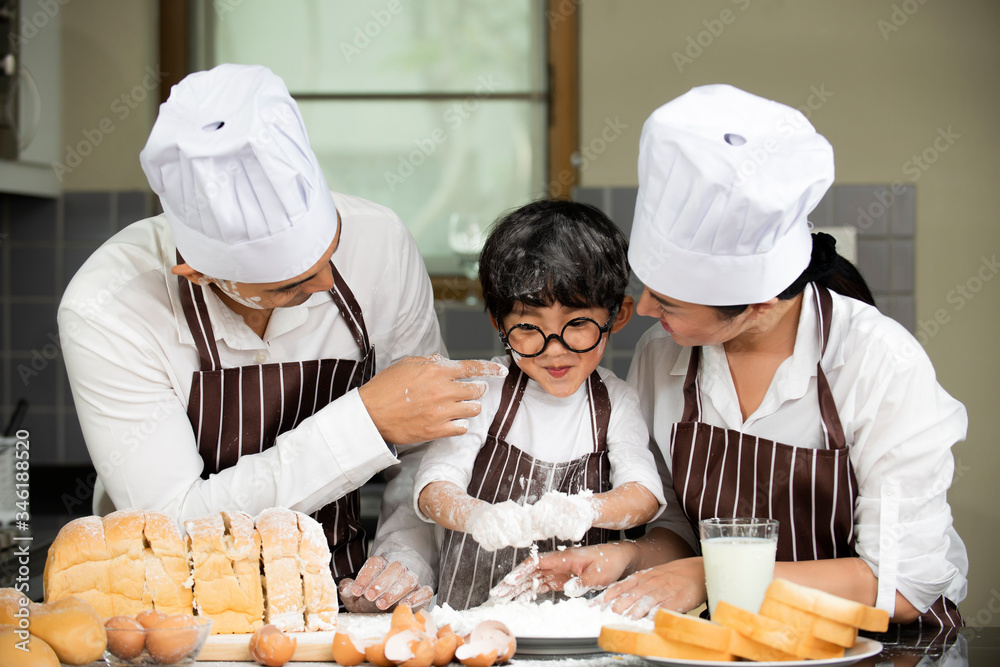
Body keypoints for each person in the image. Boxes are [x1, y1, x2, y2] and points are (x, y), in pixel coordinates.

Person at [500, 85, 968, 627]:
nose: (646, 309)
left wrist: (711, 575)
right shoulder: (664, 357)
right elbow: (677, 527)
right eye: (649, 286)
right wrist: (627, 557)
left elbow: (904, 587)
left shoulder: (879, 363)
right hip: (731, 647)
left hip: (880, 651)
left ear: (759, 304)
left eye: (669, 300)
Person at [58, 64, 505, 612]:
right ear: (199, 273)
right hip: (175, 610)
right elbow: (172, 525)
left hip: (340, 590)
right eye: (290, 285)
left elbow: (423, 447)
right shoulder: (109, 306)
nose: (325, 285)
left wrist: (402, 559)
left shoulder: (380, 242)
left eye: (329, 250)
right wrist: (366, 420)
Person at [413, 200, 667, 610]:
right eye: (529, 327)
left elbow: (643, 497)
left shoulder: (617, 402)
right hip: (468, 621)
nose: (554, 350)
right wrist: (478, 517)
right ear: (499, 322)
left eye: (578, 324)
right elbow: (433, 490)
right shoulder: (483, 392)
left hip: (578, 624)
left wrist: (585, 509)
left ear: (617, 316)